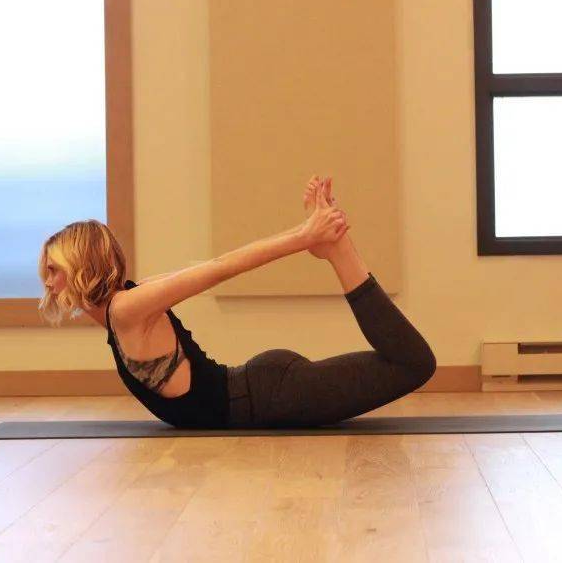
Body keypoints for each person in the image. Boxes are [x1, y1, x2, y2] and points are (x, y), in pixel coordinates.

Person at [38, 176, 436, 429]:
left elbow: (219, 267)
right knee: (407, 364)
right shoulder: (126, 307)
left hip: (274, 398)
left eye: (54, 269)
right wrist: (305, 234)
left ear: (80, 267)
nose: (48, 281)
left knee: (415, 364)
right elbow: (207, 268)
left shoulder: (127, 309)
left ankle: (339, 250)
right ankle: (333, 247)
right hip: (265, 391)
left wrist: (304, 236)